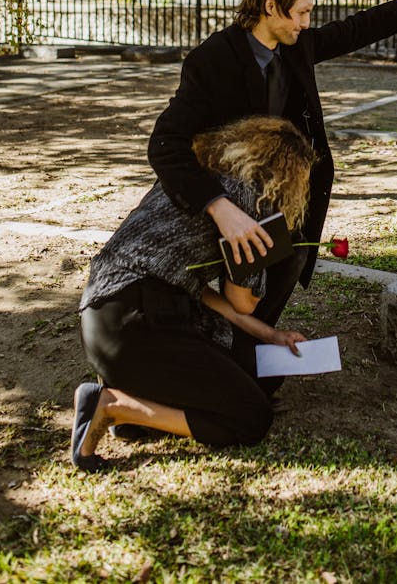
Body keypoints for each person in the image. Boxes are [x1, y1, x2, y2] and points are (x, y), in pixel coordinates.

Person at [71, 0, 397, 469]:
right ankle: (187, 384)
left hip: (281, 191)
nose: (307, 23)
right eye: (300, 12)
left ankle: (218, 370)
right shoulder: (214, 59)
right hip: (235, 199)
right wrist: (220, 208)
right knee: (246, 328)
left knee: (269, 311)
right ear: (269, 5)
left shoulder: (296, 44)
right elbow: (166, 145)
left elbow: (349, 32)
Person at [72, 115, 315, 471]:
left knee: (264, 368)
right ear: (288, 179)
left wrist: (271, 334)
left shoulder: (198, 182)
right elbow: (240, 301)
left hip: (103, 317)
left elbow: (197, 291)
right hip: (138, 326)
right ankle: (112, 405)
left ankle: (136, 398)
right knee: (252, 417)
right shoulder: (250, 204)